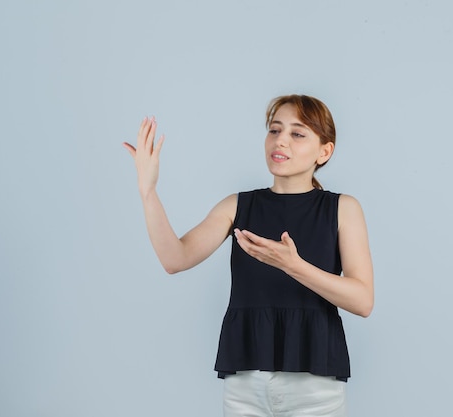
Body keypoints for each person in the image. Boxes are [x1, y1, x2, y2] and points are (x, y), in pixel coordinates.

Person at [123, 94, 374, 417]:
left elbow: (363, 300)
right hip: (245, 386)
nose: (281, 140)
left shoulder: (342, 209)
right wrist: (148, 191)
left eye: (297, 134)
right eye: (274, 130)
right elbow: (175, 258)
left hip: (316, 387)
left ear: (324, 151)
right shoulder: (237, 206)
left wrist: (293, 266)